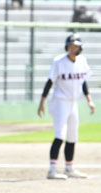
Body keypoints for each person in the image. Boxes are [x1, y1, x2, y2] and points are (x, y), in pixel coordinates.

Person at [38, 33, 95, 180]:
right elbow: (50, 81)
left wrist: (89, 100)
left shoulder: (82, 61)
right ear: (66, 47)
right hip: (60, 102)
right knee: (60, 135)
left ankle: (69, 168)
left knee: (72, 136)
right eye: (70, 46)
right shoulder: (58, 62)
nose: (72, 49)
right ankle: (52, 169)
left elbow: (83, 82)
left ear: (80, 48)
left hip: (73, 102)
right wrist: (42, 102)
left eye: (75, 46)